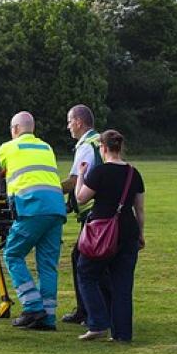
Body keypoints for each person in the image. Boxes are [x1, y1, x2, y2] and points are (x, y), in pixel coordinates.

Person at [0, 111, 66, 330]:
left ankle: (32, 306)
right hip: (56, 208)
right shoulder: (46, 147)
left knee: (13, 254)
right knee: (47, 264)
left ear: (15, 129)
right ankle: (48, 318)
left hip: (31, 207)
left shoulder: (9, 147)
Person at [74, 130, 145, 342]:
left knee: (86, 273)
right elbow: (139, 210)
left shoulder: (100, 172)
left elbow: (80, 199)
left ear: (103, 148)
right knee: (123, 285)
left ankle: (97, 323)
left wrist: (81, 175)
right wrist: (140, 234)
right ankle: (122, 334)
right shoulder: (134, 173)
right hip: (128, 232)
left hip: (103, 233)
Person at [60, 104, 106, 325]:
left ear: (78, 122)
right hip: (103, 210)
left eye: (69, 122)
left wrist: (47, 188)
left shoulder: (86, 146)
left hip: (92, 211)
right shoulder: (99, 141)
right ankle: (93, 309)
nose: (68, 126)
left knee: (81, 259)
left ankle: (86, 311)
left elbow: (74, 181)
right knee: (92, 260)